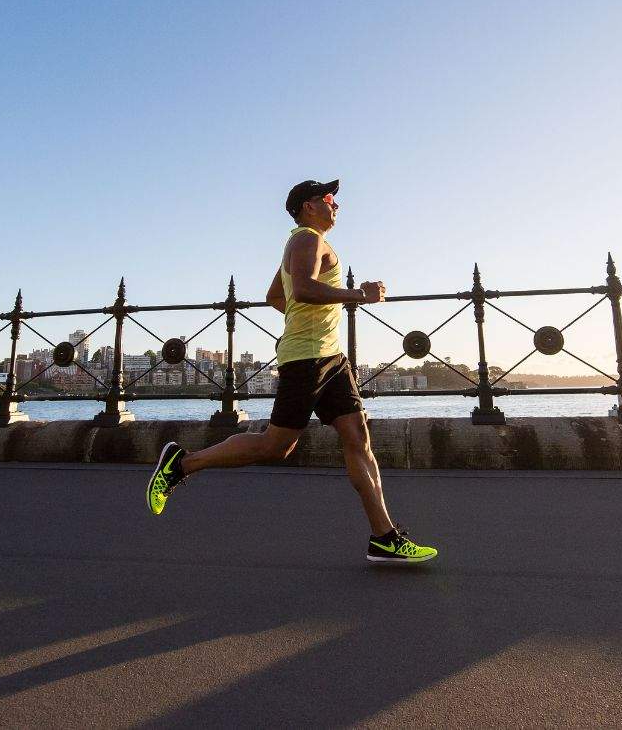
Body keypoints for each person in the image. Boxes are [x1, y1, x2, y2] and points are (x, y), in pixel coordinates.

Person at [146, 179, 437, 565]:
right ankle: (181, 464)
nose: (337, 205)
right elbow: (301, 290)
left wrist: (308, 322)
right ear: (307, 206)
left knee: (358, 436)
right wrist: (358, 295)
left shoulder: (309, 242)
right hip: (307, 360)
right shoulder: (306, 239)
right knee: (276, 445)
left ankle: (384, 537)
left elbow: (275, 297)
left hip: (331, 358)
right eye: (329, 199)